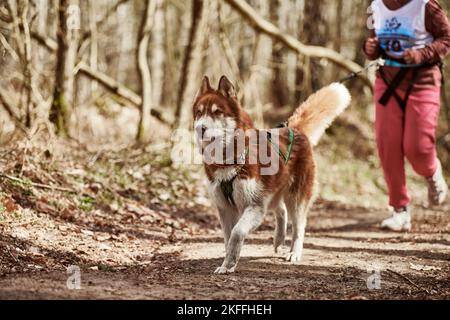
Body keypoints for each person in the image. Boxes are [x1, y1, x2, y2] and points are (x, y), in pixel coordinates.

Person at [364, 0, 450, 231]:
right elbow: (373, 43)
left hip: (423, 82)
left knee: (418, 148)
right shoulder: (375, 7)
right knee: (388, 145)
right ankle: (399, 209)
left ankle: (432, 172)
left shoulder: (426, 6)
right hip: (387, 82)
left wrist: (423, 53)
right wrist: (371, 49)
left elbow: (446, 39)